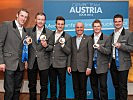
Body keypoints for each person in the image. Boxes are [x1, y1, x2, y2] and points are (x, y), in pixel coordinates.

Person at [0, 8, 29, 100]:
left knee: (17, 90)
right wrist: (1, 62)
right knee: (9, 90)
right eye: (22, 16)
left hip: (20, 65)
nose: (23, 19)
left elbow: (24, 48)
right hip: (8, 64)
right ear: (17, 15)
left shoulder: (25, 31)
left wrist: (25, 61)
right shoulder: (6, 25)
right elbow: (0, 44)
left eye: (26, 17)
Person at [27, 12, 53, 100]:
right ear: (35, 20)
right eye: (39, 19)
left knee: (44, 85)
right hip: (31, 61)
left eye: (42, 19)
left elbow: (52, 47)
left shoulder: (50, 32)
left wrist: (46, 46)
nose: (40, 21)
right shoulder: (28, 31)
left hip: (44, 63)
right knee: (31, 85)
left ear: (45, 21)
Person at [109, 14, 133, 100]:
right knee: (116, 86)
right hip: (113, 63)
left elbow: (131, 48)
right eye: (115, 21)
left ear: (123, 22)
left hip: (123, 64)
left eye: (119, 21)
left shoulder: (129, 33)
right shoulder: (112, 34)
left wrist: (121, 46)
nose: (117, 23)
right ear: (113, 23)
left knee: (122, 86)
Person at [67, 22, 93, 100]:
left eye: (81, 27)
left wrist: (89, 67)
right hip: (74, 67)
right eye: (77, 27)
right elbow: (70, 53)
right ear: (75, 29)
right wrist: (68, 65)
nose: (79, 29)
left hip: (84, 68)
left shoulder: (88, 39)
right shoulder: (72, 39)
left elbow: (90, 54)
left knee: (82, 88)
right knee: (75, 88)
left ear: (83, 28)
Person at [49, 16, 71, 100]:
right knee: (52, 83)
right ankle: (53, 98)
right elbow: (50, 48)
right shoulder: (51, 34)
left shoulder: (67, 37)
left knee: (62, 84)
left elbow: (68, 52)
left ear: (64, 25)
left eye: (62, 24)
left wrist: (63, 45)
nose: (60, 26)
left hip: (62, 64)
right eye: (58, 24)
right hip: (51, 64)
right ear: (56, 25)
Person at [90, 19, 111, 100]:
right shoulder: (89, 38)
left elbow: (108, 51)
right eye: (95, 26)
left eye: (98, 26)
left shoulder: (107, 38)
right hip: (92, 66)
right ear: (92, 28)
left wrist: (99, 47)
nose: (96, 28)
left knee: (103, 86)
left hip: (102, 66)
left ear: (101, 27)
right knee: (94, 86)